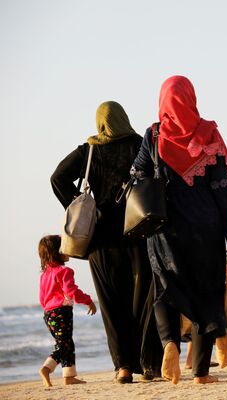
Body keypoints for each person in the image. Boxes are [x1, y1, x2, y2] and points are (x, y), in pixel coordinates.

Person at [132, 76, 227, 385]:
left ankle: (169, 345)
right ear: (191, 97)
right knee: (207, 294)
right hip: (206, 229)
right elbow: (222, 188)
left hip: (166, 229)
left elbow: (137, 173)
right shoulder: (209, 134)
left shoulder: (153, 134)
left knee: (166, 289)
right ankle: (202, 373)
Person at [51, 101, 163, 383]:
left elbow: (57, 178)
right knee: (145, 300)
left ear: (100, 123)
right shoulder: (141, 144)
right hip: (139, 232)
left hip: (101, 241)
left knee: (112, 304)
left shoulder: (89, 150)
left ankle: (123, 367)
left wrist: (78, 204)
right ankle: (149, 364)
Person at [38, 235, 97, 387]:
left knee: (66, 343)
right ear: (58, 252)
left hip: (48, 313)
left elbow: (42, 298)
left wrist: (48, 311)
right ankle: (46, 368)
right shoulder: (64, 271)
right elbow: (72, 292)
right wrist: (88, 300)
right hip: (61, 312)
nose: (70, 251)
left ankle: (69, 376)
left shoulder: (45, 275)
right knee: (64, 345)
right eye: (66, 247)